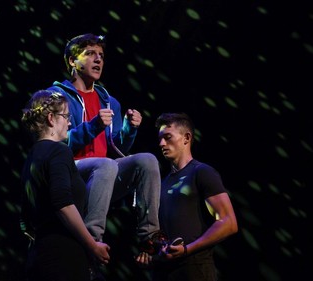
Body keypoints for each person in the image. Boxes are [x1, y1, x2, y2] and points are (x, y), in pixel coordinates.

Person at [47, 33, 164, 255]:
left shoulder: (110, 102)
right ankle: (91, 240)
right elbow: (57, 143)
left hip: (103, 175)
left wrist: (129, 129)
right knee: (106, 164)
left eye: (101, 55)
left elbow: (118, 148)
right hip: (71, 173)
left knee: (147, 160)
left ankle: (150, 237)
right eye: (90, 54)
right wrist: (93, 126)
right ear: (72, 61)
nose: (98, 59)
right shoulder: (56, 97)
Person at [19, 90, 111, 281]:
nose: (69, 123)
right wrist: (92, 246)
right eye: (66, 116)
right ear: (51, 119)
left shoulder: (31, 158)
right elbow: (63, 204)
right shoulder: (59, 152)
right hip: (63, 259)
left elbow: (25, 219)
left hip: (38, 258)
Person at [135, 112, 238, 281]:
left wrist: (188, 249)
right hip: (164, 273)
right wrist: (150, 256)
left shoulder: (202, 172)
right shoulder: (162, 182)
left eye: (168, 137)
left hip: (194, 270)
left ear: (186, 138)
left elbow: (229, 222)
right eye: (160, 138)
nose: (161, 143)